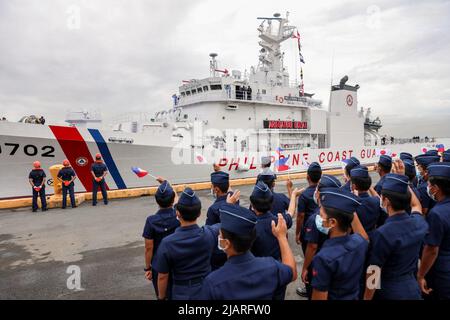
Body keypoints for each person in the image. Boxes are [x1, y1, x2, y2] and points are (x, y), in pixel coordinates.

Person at [199, 204, 297, 300]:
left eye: (220, 235)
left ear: (227, 243)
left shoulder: (213, 282)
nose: (219, 238)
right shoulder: (272, 267)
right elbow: (292, 272)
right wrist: (282, 237)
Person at [364, 173, 427, 300]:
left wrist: (367, 298)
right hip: (412, 287)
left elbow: (374, 271)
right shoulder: (419, 223)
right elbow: (416, 206)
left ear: (386, 201)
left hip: (390, 291)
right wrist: (403, 184)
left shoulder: (383, 233)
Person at [154, 187, 220, 300]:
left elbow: (162, 276)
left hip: (182, 291)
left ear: (177, 213)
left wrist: (161, 297)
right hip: (207, 289)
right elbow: (226, 224)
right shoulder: (210, 233)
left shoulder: (168, 243)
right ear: (199, 213)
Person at [310, 188, 369, 300]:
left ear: (332, 222)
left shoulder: (323, 258)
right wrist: (348, 211)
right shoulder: (360, 242)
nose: (318, 217)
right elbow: (364, 237)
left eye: (321, 215)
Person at [301, 174, 342, 299]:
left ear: (319, 193)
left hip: (318, 262)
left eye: (317, 188)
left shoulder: (316, 219)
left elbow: (312, 246)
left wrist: (305, 268)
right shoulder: (339, 212)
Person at [142, 178, 180, 299]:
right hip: (178, 260)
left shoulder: (151, 220)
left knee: (162, 293)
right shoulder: (179, 216)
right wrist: (167, 183)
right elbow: (177, 199)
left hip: (159, 263)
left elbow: (149, 248)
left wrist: (147, 268)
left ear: (157, 201)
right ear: (173, 199)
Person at [417, 162, 450, 300]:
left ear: (436, 188)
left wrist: (421, 275)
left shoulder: (437, 213)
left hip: (442, 272)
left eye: (429, 185)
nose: (428, 187)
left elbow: (431, 250)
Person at [206, 166, 235, 270]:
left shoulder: (213, 209)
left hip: (219, 252)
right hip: (234, 246)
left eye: (212, 186)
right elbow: (229, 189)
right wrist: (219, 172)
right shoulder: (234, 199)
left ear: (216, 189)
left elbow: (208, 233)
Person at [350, 165, 385, 237]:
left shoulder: (352, 207)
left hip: (357, 240)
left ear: (353, 186)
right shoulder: (376, 201)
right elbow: (379, 200)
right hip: (375, 237)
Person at [296, 162, 322, 254]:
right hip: (322, 229)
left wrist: (298, 233)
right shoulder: (324, 191)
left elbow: (300, 216)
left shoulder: (304, 195)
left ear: (307, 177)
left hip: (308, 231)